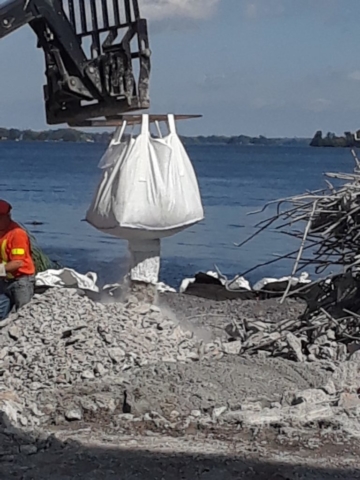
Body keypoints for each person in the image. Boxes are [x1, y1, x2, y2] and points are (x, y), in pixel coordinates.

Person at [0, 200, 35, 320]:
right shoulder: (2, 232)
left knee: (23, 314)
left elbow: (17, 262)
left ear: (8, 216)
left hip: (20, 281)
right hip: (4, 280)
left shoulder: (17, 234)